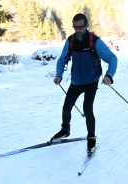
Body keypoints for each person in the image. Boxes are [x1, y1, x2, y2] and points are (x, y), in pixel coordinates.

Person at [50, 13, 118, 155]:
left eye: (81, 26)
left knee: (87, 108)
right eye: (75, 27)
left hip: (92, 80)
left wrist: (109, 76)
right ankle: (65, 129)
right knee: (66, 107)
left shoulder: (94, 40)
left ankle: (91, 137)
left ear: (87, 25)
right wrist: (59, 75)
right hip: (76, 81)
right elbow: (62, 59)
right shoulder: (71, 41)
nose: (78, 29)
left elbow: (112, 58)